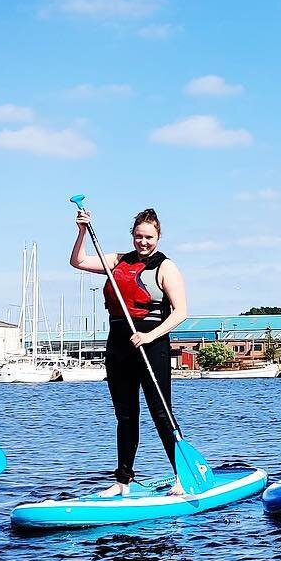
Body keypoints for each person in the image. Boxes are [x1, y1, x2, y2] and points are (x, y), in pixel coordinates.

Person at [71, 207, 189, 496]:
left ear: (158, 236)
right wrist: (82, 230)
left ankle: (182, 476)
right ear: (132, 236)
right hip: (119, 346)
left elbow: (181, 312)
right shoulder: (117, 260)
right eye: (138, 236)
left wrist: (149, 335)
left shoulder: (166, 267)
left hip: (153, 346)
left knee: (161, 413)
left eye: (149, 237)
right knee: (125, 416)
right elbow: (78, 261)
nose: (143, 242)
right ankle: (123, 480)